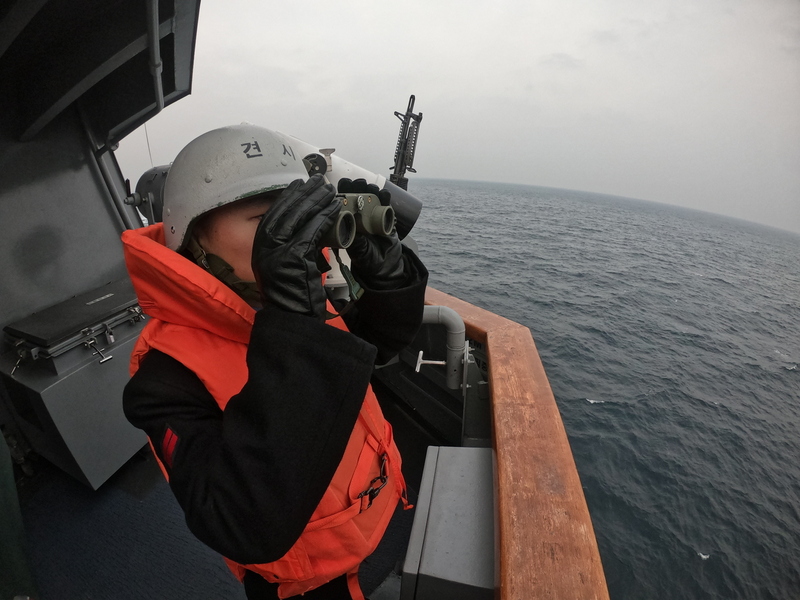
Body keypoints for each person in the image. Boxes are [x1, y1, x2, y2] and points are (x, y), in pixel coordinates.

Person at [120, 124, 428, 600]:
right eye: (269, 221)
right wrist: (295, 325)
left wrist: (387, 279)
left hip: (387, 515)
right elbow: (238, 519)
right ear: (195, 238)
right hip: (314, 584)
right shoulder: (164, 377)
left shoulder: (297, 305)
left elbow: (374, 353)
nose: (296, 241)